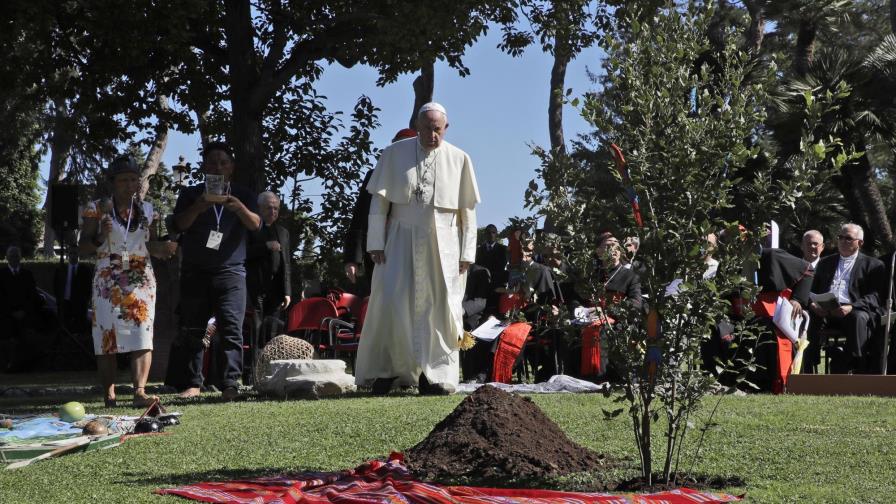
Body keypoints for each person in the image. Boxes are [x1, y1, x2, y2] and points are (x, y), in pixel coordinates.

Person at [355, 102, 479, 395]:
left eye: (437, 130)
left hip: (444, 244)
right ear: (417, 125)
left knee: (438, 307)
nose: (432, 135)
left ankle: (433, 375)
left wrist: (467, 253)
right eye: (426, 128)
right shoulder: (393, 154)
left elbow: (467, 212)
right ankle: (389, 371)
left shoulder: (460, 159)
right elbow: (379, 203)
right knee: (393, 301)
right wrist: (375, 242)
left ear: (445, 129)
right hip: (399, 238)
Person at [78, 156, 178, 407]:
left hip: (141, 278)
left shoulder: (148, 210)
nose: (129, 184)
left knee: (142, 333)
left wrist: (164, 248)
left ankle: (139, 392)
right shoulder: (98, 208)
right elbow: (83, 247)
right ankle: (109, 394)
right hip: (107, 280)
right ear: (112, 182)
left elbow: (150, 244)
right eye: (123, 180)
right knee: (106, 337)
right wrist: (100, 236)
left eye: (133, 179)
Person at [172, 141, 261, 400]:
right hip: (195, 271)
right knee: (194, 329)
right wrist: (200, 206)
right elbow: (179, 225)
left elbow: (256, 225)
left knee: (231, 327)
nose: (218, 167)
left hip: (231, 272)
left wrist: (239, 208)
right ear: (204, 167)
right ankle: (193, 383)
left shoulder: (244, 194)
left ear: (231, 168)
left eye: (224, 162)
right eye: (212, 162)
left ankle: (230, 383)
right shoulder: (191, 194)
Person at [343, 128, 418, 296]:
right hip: (378, 254)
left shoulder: (424, 180)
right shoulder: (375, 176)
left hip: (410, 254)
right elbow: (360, 218)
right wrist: (352, 259)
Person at [807, 223, 886, 374]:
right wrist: (813, 305)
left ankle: (856, 365)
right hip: (825, 309)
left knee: (858, 318)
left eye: (848, 238)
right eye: (840, 237)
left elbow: (875, 297)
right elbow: (812, 290)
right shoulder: (825, 263)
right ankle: (809, 364)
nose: (843, 241)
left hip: (852, 310)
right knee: (809, 316)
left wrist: (851, 306)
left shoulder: (874, 265)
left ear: (860, 243)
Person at [246, 191, 291, 346]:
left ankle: (270, 365)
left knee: (273, 331)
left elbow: (286, 264)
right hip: (255, 288)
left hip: (276, 290)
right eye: (268, 208)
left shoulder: (283, 233)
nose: (273, 211)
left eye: (276, 208)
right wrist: (265, 247)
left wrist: (287, 292)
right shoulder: (250, 229)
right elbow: (243, 253)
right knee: (256, 329)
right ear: (259, 209)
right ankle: (253, 366)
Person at [0, 245, 41, 372]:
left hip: (25, 317)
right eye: (11, 256)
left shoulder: (27, 275)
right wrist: (12, 312)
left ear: (20, 258)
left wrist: (24, 311)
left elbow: (32, 295)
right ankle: (8, 367)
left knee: (27, 342)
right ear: (6, 258)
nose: (14, 258)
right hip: (7, 317)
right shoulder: (1, 275)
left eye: (16, 256)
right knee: (8, 343)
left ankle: (25, 367)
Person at [53, 244, 94, 333]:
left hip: (80, 305)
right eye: (71, 253)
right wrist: (58, 302)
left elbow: (89, 288)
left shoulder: (85, 270)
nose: (73, 255)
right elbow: (56, 286)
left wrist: (86, 301)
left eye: (75, 253)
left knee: (79, 329)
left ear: (78, 254)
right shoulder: (61, 269)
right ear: (68, 254)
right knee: (65, 328)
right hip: (65, 304)